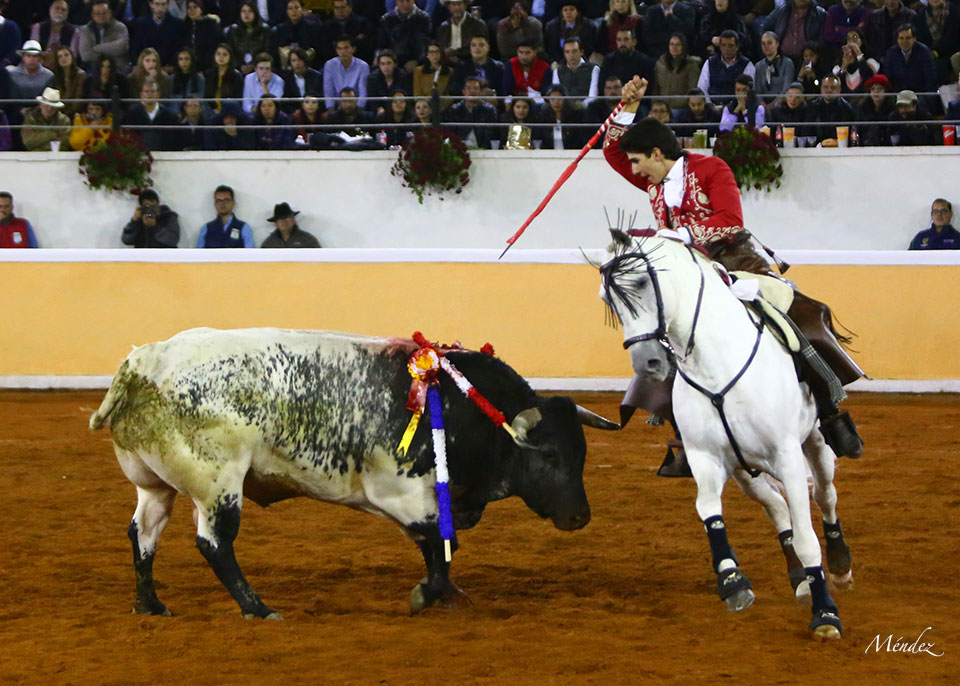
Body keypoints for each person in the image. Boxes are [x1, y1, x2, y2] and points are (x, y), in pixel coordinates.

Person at [603, 75, 864, 470]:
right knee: (660, 333)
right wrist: (625, 107)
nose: (635, 172)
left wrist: (678, 233)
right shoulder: (654, 180)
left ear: (656, 154)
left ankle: (830, 412)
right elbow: (611, 151)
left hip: (736, 261)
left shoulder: (711, 168)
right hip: (688, 271)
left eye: (638, 162)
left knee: (788, 313)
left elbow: (730, 221)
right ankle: (685, 436)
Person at [880, 23, 939, 114]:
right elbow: (887, 78)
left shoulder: (925, 52)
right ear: (897, 39)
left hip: (919, 94)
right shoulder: (891, 53)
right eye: (901, 38)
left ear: (914, 39)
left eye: (908, 38)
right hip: (898, 93)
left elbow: (930, 79)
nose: (904, 41)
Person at [698, 30, 755, 105]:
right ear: (720, 46)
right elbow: (702, 88)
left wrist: (731, 109)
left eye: (730, 45)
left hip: (736, 109)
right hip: (712, 109)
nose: (727, 49)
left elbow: (748, 91)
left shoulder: (746, 65)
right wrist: (710, 105)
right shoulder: (710, 62)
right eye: (723, 45)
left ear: (737, 47)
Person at [122, 78, 181, 151]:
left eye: (153, 91)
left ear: (158, 94)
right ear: (141, 95)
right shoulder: (131, 113)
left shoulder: (170, 116)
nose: (150, 94)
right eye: (147, 91)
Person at [765, 0, 827, 68]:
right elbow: (764, 27)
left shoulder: (820, 14)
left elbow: (822, 40)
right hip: (782, 57)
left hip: (805, 60)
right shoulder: (781, 9)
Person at [443, 75, 499, 148]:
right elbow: (451, 132)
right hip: (460, 148)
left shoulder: (489, 110)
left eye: (475, 88)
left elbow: (491, 133)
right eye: (468, 88)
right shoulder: (455, 109)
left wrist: (484, 148)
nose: (472, 91)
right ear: (464, 91)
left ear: (481, 92)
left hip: (482, 148)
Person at [129, 0, 187, 69]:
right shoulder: (140, 24)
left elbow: (179, 49)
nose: (160, 8)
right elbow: (134, 49)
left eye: (163, 4)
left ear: (168, 5)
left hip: (168, 70)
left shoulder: (177, 25)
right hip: (144, 69)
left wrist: (173, 66)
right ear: (151, 4)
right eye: (157, 4)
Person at [377, 0, 432, 72]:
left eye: (408, 1)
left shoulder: (424, 18)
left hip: (415, 62)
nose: (405, 4)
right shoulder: (386, 19)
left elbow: (424, 43)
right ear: (396, 1)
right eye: (401, 1)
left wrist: (417, 60)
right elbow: (381, 44)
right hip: (393, 62)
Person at [599, 26, 655, 95]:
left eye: (626, 39)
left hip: (636, 101)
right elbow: (602, 86)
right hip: (613, 101)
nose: (622, 43)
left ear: (634, 42)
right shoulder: (608, 60)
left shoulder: (645, 61)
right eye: (619, 40)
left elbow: (649, 88)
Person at [77, 0, 129, 73]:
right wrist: (111, 52)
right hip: (94, 69)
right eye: (98, 13)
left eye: (104, 13)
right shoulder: (86, 30)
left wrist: (96, 48)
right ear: (92, 15)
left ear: (110, 13)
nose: (101, 16)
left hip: (118, 68)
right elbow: (85, 55)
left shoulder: (120, 27)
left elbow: (122, 47)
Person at [318, 0, 375, 65]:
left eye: (343, 7)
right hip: (333, 64)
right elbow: (324, 49)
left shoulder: (363, 24)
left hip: (359, 62)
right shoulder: (326, 27)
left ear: (350, 8)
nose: (339, 11)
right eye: (336, 8)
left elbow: (366, 48)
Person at [546, 36, 599, 105]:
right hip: (565, 109)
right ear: (564, 54)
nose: (571, 55)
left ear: (581, 52)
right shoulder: (558, 71)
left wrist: (581, 106)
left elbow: (593, 96)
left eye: (574, 51)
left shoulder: (594, 69)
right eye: (567, 52)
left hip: (587, 109)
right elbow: (557, 95)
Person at [225, 2, 273, 75]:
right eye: (243, 11)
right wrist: (239, 66)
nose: (246, 14)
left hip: (259, 69)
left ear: (255, 13)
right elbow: (230, 52)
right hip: (237, 70)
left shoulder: (264, 30)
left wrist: (254, 66)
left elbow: (267, 51)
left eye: (250, 11)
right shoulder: (233, 30)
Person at [323, 35, 369, 109]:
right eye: (340, 49)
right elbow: (328, 91)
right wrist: (330, 109)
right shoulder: (329, 65)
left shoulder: (363, 66)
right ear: (336, 50)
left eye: (346, 48)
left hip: (356, 108)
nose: (343, 52)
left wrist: (358, 110)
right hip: (337, 108)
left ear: (353, 49)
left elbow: (363, 92)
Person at [654, 32, 701, 106]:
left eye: (678, 44)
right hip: (661, 105)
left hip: (682, 106)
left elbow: (692, 92)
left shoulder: (691, 66)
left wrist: (673, 104)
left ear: (683, 46)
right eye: (672, 44)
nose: (674, 47)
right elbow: (655, 89)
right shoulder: (660, 64)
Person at [272, 0, 320, 71]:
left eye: (296, 7)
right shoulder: (280, 29)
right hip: (286, 67)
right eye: (290, 8)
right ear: (287, 11)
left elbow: (315, 48)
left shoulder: (312, 27)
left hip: (308, 65)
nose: (294, 11)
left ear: (302, 10)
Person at [437, 0, 488, 66]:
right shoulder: (443, 27)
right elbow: (441, 47)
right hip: (447, 65)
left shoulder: (478, 24)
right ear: (449, 7)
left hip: (470, 64)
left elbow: (481, 48)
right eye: (454, 5)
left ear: (465, 5)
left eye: (459, 4)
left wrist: (455, 52)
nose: (457, 8)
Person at [29, 0, 80, 66]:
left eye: (63, 10)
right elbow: (34, 50)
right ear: (50, 10)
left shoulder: (74, 31)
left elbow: (73, 55)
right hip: (40, 66)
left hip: (63, 66)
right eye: (57, 8)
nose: (60, 12)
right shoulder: (38, 27)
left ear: (67, 13)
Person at [807, 74, 855, 144]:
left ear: (839, 90)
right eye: (825, 87)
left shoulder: (846, 108)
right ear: (821, 89)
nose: (829, 90)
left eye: (833, 87)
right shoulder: (812, 107)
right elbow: (807, 132)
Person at [829, 28, 878, 95]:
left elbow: (868, 78)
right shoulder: (838, 66)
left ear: (861, 41)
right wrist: (844, 66)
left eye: (855, 37)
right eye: (848, 38)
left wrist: (858, 54)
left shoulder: (871, 62)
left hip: (865, 99)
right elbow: (836, 86)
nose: (851, 41)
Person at [22, 86, 71, 151]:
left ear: (57, 108)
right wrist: (52, 134)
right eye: (46, 105)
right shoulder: (30, 118)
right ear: (41, 104)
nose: (49, 109)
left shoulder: (64, 120)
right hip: (34, 157)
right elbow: (28, 142)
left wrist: (39, 145)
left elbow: (65, 144)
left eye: (52, 106)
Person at [540, 82, 587, 149]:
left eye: (559, 98)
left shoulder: (575, 116)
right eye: (552, 99)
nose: (556, 102)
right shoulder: (544, 117)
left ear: (565, 99)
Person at [366, 48, 411, 114]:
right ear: (379, 65)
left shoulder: (403, 76)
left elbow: (406, 96)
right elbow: (373, 100)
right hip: (380, 111)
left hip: (400, 109)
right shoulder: (372, 78)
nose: (386, 67)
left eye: (389, 63)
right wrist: (379, 109)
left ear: (395, 64)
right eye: (383, 64)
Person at [754, 31, 795, 102]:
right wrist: (762, 105)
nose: (766, 46)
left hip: (782, 104)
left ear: (777, 44)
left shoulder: (787, 63)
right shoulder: (758, 66)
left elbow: (786, 89)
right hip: (763, 106)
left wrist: (772, 106)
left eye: (769, 43)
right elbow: (757, 90)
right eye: (763, 43)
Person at [204, 44, 244, 113]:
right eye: (218, 54)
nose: (221, 57)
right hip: (212, 111)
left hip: (230, 111)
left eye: (224, 54)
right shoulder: (209, 74)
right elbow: (206, 97)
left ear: (230, 57)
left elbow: (237, 99)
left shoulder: (236, 76)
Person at [282, 46, 323, 114]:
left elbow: (320, 98)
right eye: (293, 60)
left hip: (315, 112)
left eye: (299, 60)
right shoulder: (287, 78)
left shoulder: (316, 77)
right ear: (290, 63)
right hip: (294, 114)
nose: (297, 63)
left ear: (304, 61)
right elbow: (286, 102)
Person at [855, 73, 893, 146]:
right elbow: (858, 129)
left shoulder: (891, 108)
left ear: (886, 91)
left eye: (880, 89)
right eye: (873, 89)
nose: (876, 92)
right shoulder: (862, 107)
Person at [183, 0, 220, 72]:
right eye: (189, 8)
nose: (192, 10)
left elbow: (214, 47)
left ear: (201, 9)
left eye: (195, 7)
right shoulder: (185, 26)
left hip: (207, 67)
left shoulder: (211, 25)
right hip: (188, 66)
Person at [48, 46, 85, 117]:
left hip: (75, 113)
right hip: (58, 113)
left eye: (66, 55)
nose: (63, 58)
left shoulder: (80, 75)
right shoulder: (54, 76)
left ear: (72, 57)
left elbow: (79, 98)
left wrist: (67, 113)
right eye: (60, 56)